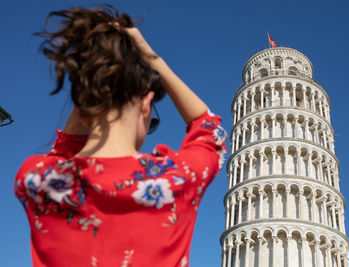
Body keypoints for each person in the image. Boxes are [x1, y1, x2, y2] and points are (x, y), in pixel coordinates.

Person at [14, 4, 227, 267]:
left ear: (84, 109)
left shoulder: (37, 178)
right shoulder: (175, 179)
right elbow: (209, 128)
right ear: (146, 105)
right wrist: (152, 58)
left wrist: (93, 77)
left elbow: (63, 149)